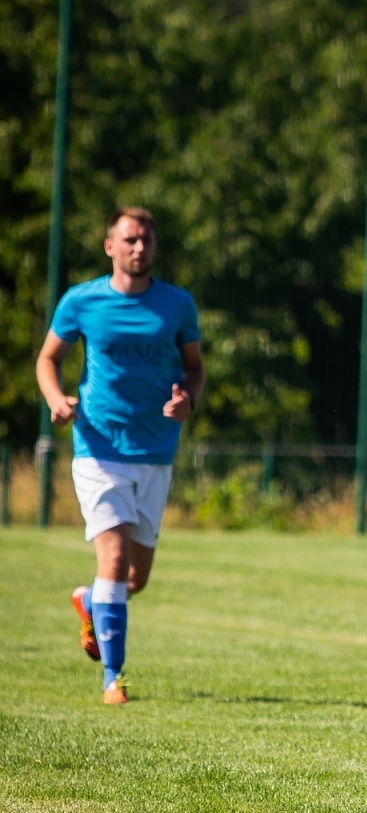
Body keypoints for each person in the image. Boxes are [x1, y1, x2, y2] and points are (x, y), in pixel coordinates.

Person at [35, 206, 205, 705]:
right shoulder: (81, 301)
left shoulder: (177, 305)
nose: (139, 247)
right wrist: (56, 399)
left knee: (135, 578)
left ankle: (89, 602)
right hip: (98, 447)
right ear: (110, 246)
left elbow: (195, 369)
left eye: (146, 240)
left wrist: (188, 400)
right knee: (112, 558)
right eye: (129, 239)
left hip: (155, 450)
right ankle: (114, 678)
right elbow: (48, 359)